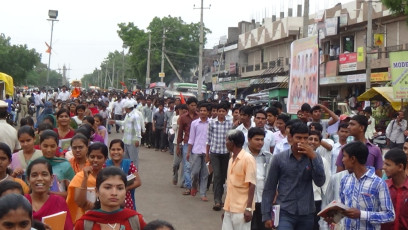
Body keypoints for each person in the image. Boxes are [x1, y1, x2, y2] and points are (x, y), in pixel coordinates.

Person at [262, 122, 326, 230]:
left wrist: (313, 158)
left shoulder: (314, 157)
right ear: (290, 138)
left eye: (305, 138)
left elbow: (320, 182)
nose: (302, 141)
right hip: (285, 211)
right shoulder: (279, 158)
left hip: (307, 212)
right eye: (298, 137)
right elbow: (269, 188)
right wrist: (266, 215)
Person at [334, 141, 395, 229]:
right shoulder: (345, 180)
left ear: (353, 159)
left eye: (344, 156)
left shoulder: (378, 183)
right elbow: (342, 209)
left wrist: (361, 214)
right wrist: (333, 217)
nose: (342, 160)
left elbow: (390, 215)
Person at [74, 167, 146, 230]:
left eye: (120, 188)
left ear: (125, 191)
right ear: (97, 191)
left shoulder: (136, 221)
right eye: (108, 187)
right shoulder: (84, 224)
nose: (114, 193)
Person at [222, 129, 256, 230]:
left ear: (232, 143)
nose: (225, 143)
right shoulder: (231, 159)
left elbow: (252, 185)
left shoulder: (248, 159)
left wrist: (248, 209)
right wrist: (226, 210)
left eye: (227, 140)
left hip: (241, 209)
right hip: (229, 207)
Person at [25, 158, 73, 229]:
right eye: (34, 175)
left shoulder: (59, 202)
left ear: (52, 179)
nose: (39, 178)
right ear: (28, 180)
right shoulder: (22, 201)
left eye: (44, 174)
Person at [66, 142, 108, 223]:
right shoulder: (80, 176)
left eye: (99, 157)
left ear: (105, 159)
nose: (95, 160)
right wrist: (85, 178)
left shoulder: (108, 176)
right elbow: (80, 202)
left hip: (105, 218)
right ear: (88, 157)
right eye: (92, 157)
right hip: (83, 219)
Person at [206, 102, 233, 211]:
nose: (221, 113)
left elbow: (231, 139)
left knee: (223, 177)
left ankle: (222, 199)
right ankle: (217, 200)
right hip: (215, 152)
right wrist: (207, 154)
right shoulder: (212, 123)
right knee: (217, 175)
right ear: (216, 112)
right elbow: (208, 139)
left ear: (226, 112)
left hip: (226, 153)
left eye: (223, 111)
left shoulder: (230, 124)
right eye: (219, 111)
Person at [246, 127, 272, 230]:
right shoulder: (241, 156)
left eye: (262, 139)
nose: (260, 142)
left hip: (264, 200)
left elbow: (273, 179)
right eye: (257, 139)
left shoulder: (269, 157)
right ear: (249, 139)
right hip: (247, 201)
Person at [106, 139, 141, 210]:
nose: (116, 152)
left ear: (123, 151)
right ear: (109, 151)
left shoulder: (129, 164)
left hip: (126, 200)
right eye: (113, 149)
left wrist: (125, 189)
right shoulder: (105, 165)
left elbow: (138, 182)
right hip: (109, 198)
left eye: (119, 149)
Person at [39, 130, 75, 198]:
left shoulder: (65, 165)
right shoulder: (35, 165)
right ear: (40, 146)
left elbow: (72, 192)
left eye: (52, 146)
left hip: (59, 204)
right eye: (45, 146)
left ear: (57, 146)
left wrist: (50, 193)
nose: (49, 150)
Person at [186, 103, 210, 200]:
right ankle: (194, 186)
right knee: (195, 172)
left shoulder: (211, 123)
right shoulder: (194, 123)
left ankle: (203, 194)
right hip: (196, 150)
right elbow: (191, 138)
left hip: (207, 151)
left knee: (205, 173)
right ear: (198, 112)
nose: (203, 112)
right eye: (201, 111)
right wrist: (188, 152)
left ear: (208, 112)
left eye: (205, 111)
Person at [109, 101, 142, 169]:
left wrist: (138, 139)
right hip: (125, 140)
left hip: (133, 141)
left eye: (125, 108)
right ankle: (126, 173)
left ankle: (134, 175)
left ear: (128, 108)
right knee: (125, 158)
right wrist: (115, 121)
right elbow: (124, 122)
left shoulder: (135, 116)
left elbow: (138, 128)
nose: (124, 109)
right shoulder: (127, 115)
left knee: (133, 159)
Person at [381, 148, 408, 230]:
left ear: (400, 167)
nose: (383, 167)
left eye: (388, 165)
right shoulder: (383, 187)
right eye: (384, 164)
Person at [176, 97, 198, 195]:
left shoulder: (200, 117)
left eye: (195, 105)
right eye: (192, 105)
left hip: (198, 144)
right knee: (187, 165)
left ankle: (194, 186)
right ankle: (188, 186)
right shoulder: (183, 117)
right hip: (186, 143)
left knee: (196, 166)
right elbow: (180, 132)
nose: (194, 107)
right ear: (188, 106)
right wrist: (178, 145)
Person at [172, 104, 187, 186]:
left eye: (185, 111)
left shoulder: (188, 119)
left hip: (185, 143)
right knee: (175, 164)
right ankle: (175, 176)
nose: (183, 112)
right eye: (182, 110)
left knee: (185, 164)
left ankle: (182, 181)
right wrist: (179, 121)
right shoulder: (175, 117)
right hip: (176, 142)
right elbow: (174, 129)